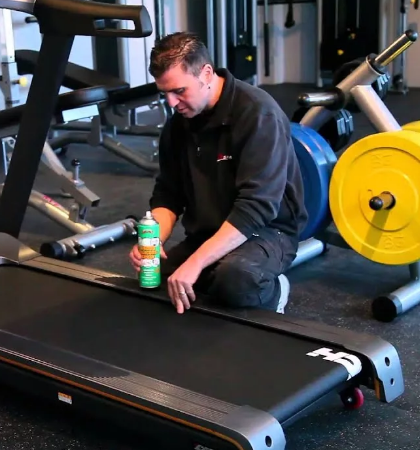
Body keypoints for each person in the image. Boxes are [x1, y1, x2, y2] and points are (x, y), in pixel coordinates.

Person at [128, 31, 308, 315]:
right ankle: (214, 268)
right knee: (157, 278)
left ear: (207, 73)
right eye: (165, 94)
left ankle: (275, 289)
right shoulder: (179, 125)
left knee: (235, 280)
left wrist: (197, 263)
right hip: (209, 231)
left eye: (179, 91)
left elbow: (256, 208)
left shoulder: (258, 114)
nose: (172, 104)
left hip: (267, 232)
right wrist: (154, 242)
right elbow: (168, 193)